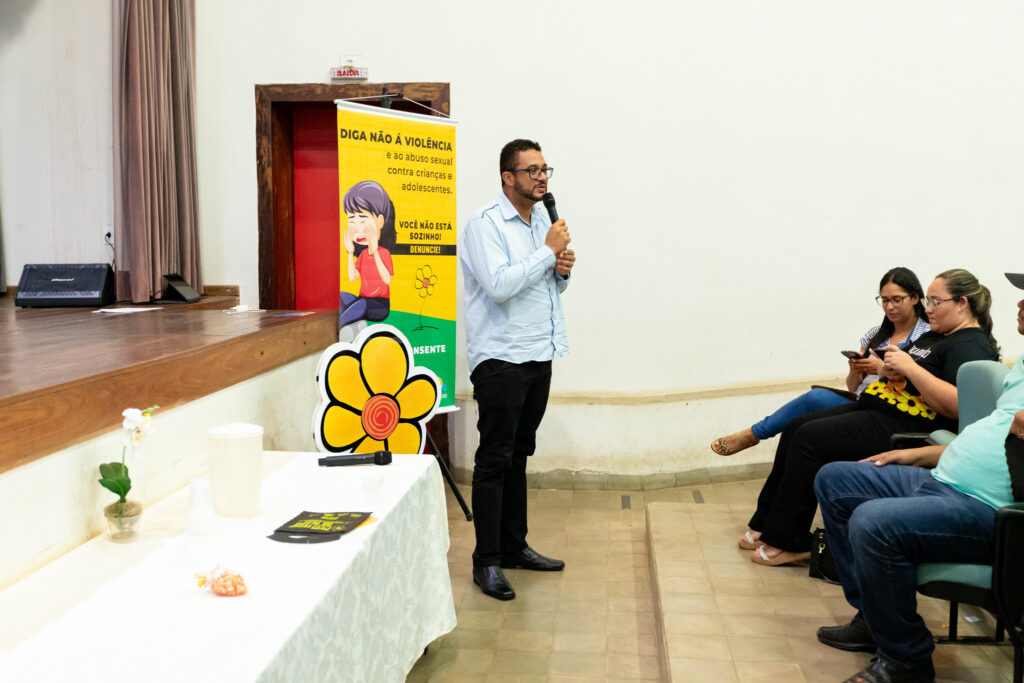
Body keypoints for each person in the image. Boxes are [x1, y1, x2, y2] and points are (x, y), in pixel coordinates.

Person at [813, 271, 1024, 683]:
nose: (1019, 304)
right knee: (836, 480)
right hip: (947, 475)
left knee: (872, 523)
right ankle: (873, 619)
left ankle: (906, 660)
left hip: (992, 510)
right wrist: (920, 454)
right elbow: (992, 435)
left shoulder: (968, 344)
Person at [746, 269, 1000, 566]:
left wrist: (909, 368)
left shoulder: (969, 345)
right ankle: (766, 524)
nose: (928, 309)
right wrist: (888, 369)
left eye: (935, 302)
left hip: (908, 424)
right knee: (797, 426)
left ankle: (789, 540)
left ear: (962, 303)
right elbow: (910, 376)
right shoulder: (936, 335)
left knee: (809, 439)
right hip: (879, 407)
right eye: (928, 302)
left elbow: (956, 405)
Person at [460, 139, 576, 601]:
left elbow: (547, 287)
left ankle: (513, 547)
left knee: (518, 455)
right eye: (532, 170)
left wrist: (561, 270)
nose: (542, 177)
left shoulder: (541, 221)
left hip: (538, 352)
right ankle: (486, 561)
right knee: (494, 459)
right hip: (500, 358)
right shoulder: (484, 224)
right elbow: (499, 285)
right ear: (508, 177)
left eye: (545, 169)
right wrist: (548, 254)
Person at [712, 267, 931, 459]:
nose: (890, 307)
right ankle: (756, 436)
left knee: (814, 403)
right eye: (884, 300)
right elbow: (852, 388)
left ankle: (754, 433)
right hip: (860, 401)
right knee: (800, 421)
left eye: (897, 300)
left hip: (892, 411)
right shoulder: (875, 335)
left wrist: (881, 369)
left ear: (914, 298)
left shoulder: (927, 336)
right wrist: (855, 370)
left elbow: (919, 381)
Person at [339, 180, 396, 337]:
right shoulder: (363, 255)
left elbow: (387, 280)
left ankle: (341, 330)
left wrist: (375, 252)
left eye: (363, 220)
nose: (358, 228)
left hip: (379, 306)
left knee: (361, 305)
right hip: (363, 300)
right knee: (342, 295)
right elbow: (353, 278)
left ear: (380, 221)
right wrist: (350, 252)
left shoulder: (383, 253)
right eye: (352, 220)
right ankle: (356, 327)